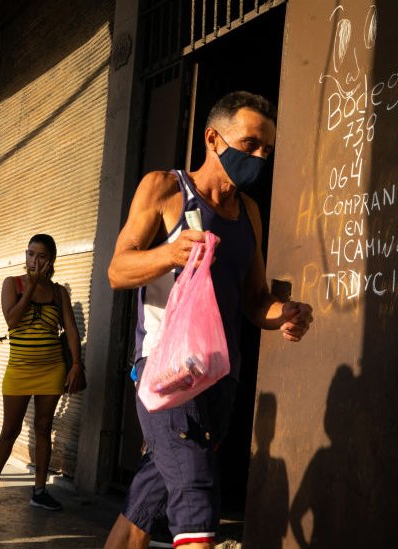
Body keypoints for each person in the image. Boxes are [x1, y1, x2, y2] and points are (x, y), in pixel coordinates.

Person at [103, 91, 313, 549]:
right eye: (250, 143)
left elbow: (256, 300)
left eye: (267, 150)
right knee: (195, 495)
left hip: (221, 379)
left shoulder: (250, 214)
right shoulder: (163, 189)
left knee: (145, 504)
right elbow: (118, 270)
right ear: (213, 138)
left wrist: (286, 315)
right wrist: (169, 253)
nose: (259, 156)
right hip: (167, 374)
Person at [0, 234, 86, 512]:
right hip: (19, 369)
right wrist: (31, 286)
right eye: (30, 254)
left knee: (43, 427)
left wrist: (76, 364)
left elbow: (71, 328)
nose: (34, 260)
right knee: (10, 430)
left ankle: (40, 491)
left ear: (50, 260)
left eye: (41, 256)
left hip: (52, 368)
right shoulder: (13, 284)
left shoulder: (58, 292)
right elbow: (12, 319)